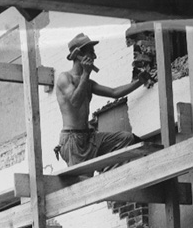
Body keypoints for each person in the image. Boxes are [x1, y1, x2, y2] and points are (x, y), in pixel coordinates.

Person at [55, 33, 151, 166]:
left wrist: (139, 82)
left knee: (125, 139)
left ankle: (107, 174)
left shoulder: (87, 82)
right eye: (91, 52)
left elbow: (114, 92)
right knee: (82, 179)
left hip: (89, 137)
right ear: (78, 55)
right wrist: (86, 74)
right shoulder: (64, 78)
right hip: (73, 140)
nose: (94, 57)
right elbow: (75, 102)